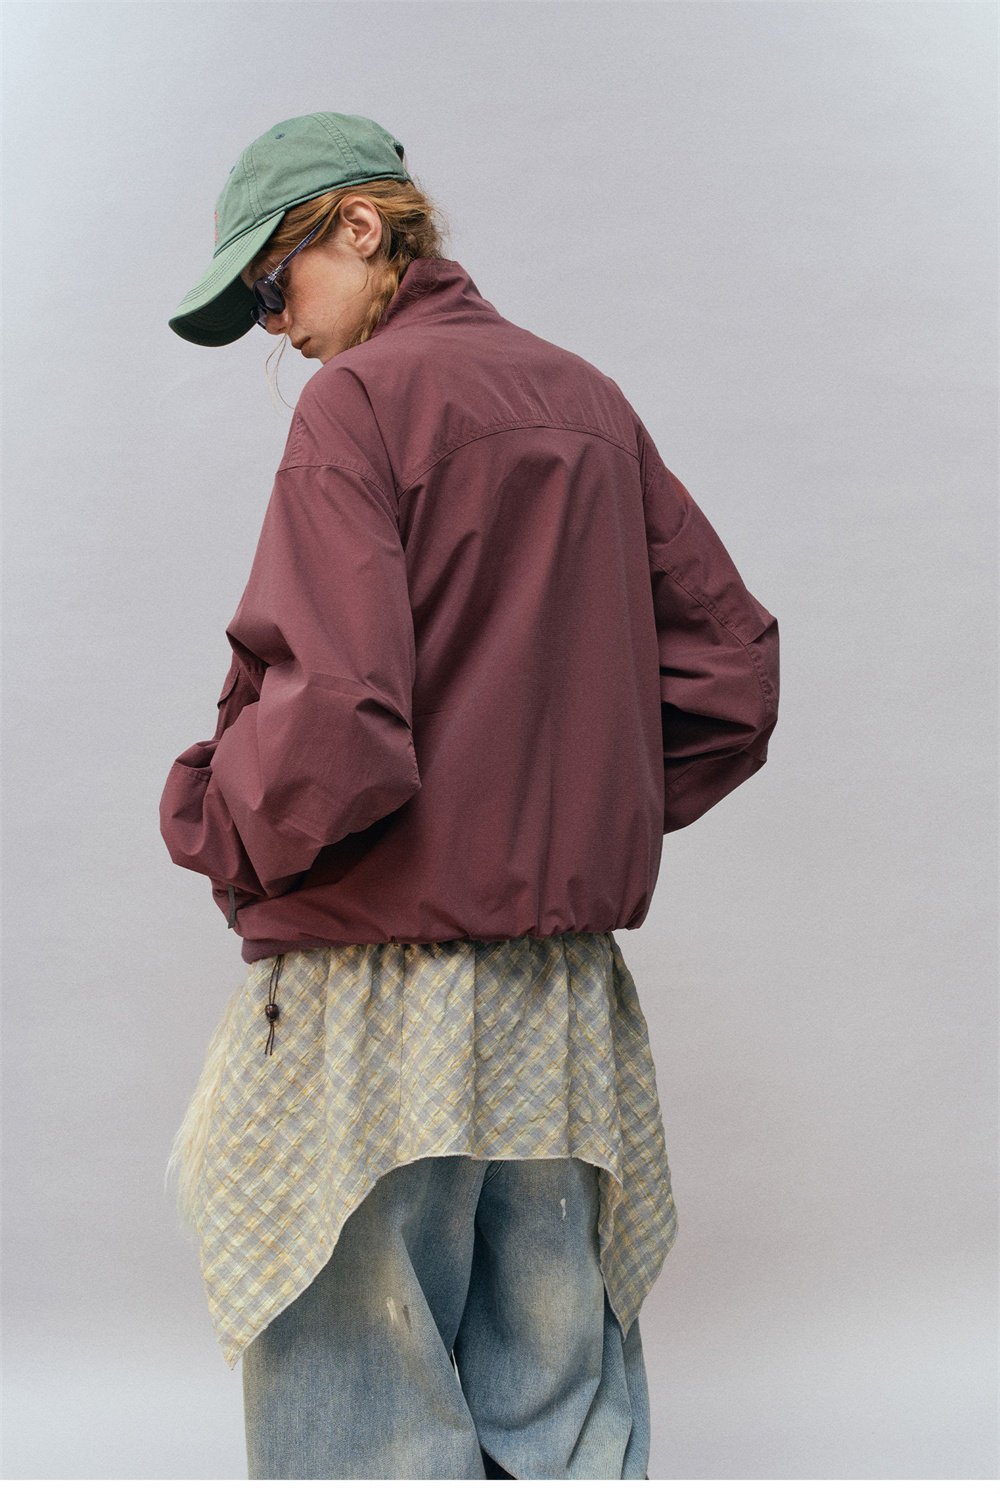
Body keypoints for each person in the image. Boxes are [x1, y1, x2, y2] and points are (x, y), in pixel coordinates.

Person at [161, 111, 779, 1481]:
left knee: (363, 1399)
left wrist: (213, 820)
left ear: (360, 228)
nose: (276, 327)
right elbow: (732, 674)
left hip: (378, 990)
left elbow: (338, 715)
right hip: (560, 999)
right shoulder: (587, 400)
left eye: (270, 285)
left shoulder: (362, 404)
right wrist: (575, 808)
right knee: (556, 1393)